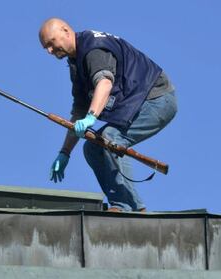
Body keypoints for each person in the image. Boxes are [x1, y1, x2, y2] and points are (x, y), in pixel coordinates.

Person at [39, 18, 177, 212]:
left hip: (157, 100)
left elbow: (104, 83)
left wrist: (91, 117)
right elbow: (79, 111)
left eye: (51, 43)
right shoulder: (76, 64)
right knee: (93, 148)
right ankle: (123, 205)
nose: (50, 51)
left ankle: (131, 208)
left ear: (66, 31)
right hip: (138, 104)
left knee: (109, 139)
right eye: (46, 47)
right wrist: (65, 152)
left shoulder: (93, 49)